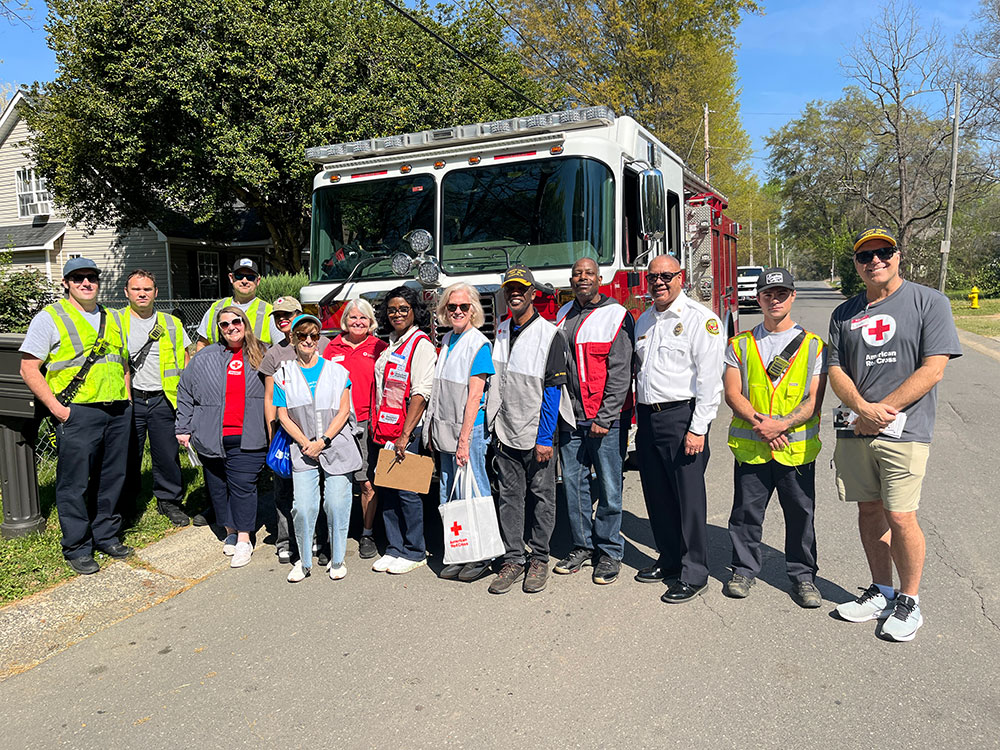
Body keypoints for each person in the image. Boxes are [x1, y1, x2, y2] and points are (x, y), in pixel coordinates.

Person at [828, 227, 961, 642]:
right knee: (869, 510)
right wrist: (862, 410)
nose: (875, 261)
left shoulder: (929, 302)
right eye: (865, 256)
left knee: (902, 516)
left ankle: (910, 600)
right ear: (856, 264)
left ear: (898, 255)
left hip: (905, 430)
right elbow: (836, 369)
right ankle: (881, 591)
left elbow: (933, 368)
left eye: (883, 252)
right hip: (856, 429)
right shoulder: (844, 312)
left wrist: (882, 412)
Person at [19, 258, 132, 575]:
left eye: (91, 277)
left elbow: (122, 363)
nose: (86, 283)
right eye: (78, 278)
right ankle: (77, 547)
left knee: (112, 479)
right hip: (78, 412)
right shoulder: (50, 317)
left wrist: (128, 399)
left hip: (118, 409)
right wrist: (58, 410)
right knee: (75, 484)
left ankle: (107, 535)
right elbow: (29, 369)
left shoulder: (111, 317)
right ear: (66, 282)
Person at [723, 268, 826, 608]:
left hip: (794, 450)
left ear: (792, 296)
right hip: (753, 447)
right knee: (745, 515)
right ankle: (743, 570)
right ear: (759, 298)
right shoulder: (739, 344)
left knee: (800, 515)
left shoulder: (813, 346)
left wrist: (779, 426)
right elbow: (733, 393)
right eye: (768, 294)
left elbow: (814, 400)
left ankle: (803, 576)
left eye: (782, 293)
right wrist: (761, 424)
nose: (775, 299)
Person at [633, 253, 725, 604]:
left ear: (681, 277)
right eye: (653, 276)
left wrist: (698, 428)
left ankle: (694, 572)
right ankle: (669, 559)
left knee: (689, 502)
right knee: (657, 497)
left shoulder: (702, 320)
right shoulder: (644, 321)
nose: (658, 281)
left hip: (681, 418)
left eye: (666, 276)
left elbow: (710, 381)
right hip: (648, 418)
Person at [485, 265, 571, 595]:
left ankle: (539, 558)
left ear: (533, 293)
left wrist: (545, 437)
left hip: (538, 433)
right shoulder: (502, 331)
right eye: (510, 289)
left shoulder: (549, 335)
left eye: (521, 288)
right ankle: (513, 559)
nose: (515, 293)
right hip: (505, 431)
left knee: (542, 498)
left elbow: (552, 391)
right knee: (509, 498)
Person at [553, 257, 634, 586]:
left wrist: (606, 415)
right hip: (570, 418)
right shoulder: (561, 316)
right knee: (574, 486)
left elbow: (620, 372)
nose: (582, 278)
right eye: (576, 274)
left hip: (603, 420)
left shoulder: (616, 316)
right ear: (571, 281)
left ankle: (610, 551)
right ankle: (583, 546)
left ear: (600, 278)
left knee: (611, 488)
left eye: (588, 273)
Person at [175, 306, 269, 569]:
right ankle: (229, 530)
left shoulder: (263, 353)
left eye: (235, 322)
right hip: (211, 436)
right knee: (218, 489)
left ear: (245, 323)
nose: (231, 328)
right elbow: (185, 391)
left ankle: (243, 538)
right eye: (224, 325)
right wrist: (182, 426)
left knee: (242, 486)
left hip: (249, 436)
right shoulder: (205, 356)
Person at [274, 314, 362, 582]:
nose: (308, 340)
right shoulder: (284, 375)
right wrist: (305, 443)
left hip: (335, 444)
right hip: (302, 448)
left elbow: (344, 410)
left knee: (336, 503)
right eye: (302, 336)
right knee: (304, 507)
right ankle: (304, 561)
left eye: (313, 335)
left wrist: (323, 440)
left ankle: (337, 559)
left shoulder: (337, 371)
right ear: (293, 339)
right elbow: (283, 416)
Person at [424, 283, 495, 583]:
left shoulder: (478, 344)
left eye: (463, 307)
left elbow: (474, 397)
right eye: (451, 307)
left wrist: (465, 439)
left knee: (474, 490)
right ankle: (460, 550)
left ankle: (483, 554)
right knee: (451, 493)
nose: (457, 311)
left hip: (468, 431)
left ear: (473, 311)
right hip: (445, 431)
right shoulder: (447, 340)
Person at [111, 270, 191, 527]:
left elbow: (186, 360)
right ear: (127, 292)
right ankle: (126, 504)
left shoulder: (171, 323)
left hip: (163, 399)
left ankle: (169, 500)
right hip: (128, 398)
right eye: (136, 289)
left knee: (166, 454)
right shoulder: (114, 321)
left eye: (147, 289)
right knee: (127, 454)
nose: (142, 293)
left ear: (156, 293)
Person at [259, 297, 332, 564]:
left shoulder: (323, 344)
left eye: (287, 314)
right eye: (278, 315)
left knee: (318, 488)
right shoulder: (274, 353)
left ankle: (316, 538)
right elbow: (269, 397)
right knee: (284, 488)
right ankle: (285, 540)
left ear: (300, 314)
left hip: (319, 428)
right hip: (287, 429)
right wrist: (271, 433)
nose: (282, 319)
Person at [368, 286, 437, 575]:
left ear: (414, 311)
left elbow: (421, 393)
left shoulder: (420, 344)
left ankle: (414, 550)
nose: (397, 314)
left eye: (403, 309)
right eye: (392, 309)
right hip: (385, 429)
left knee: (408, 492)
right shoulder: (392, 343)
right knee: (388, 490)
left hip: (406, 430)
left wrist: (405, 434)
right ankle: (394, 548)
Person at [324, 299, 387, 561]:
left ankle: (367, 533)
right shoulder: (331, 348)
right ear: (345, 321)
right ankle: (331, 537)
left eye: (363, 318)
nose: (358, 322)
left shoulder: (379, 347)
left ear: (371, 322)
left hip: (366, 422)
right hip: (337, 423)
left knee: (366, 482)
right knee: (336, 482)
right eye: (353, 318)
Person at [195, 258, 280, 350]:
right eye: (239, 276)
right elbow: (202, 344)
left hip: (257, 363)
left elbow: (280, 351)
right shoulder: (216, 308)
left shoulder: (269, 312)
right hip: (219, 363)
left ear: (258, 280)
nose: (244, 281)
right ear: (231, 278)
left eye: (250, 277)